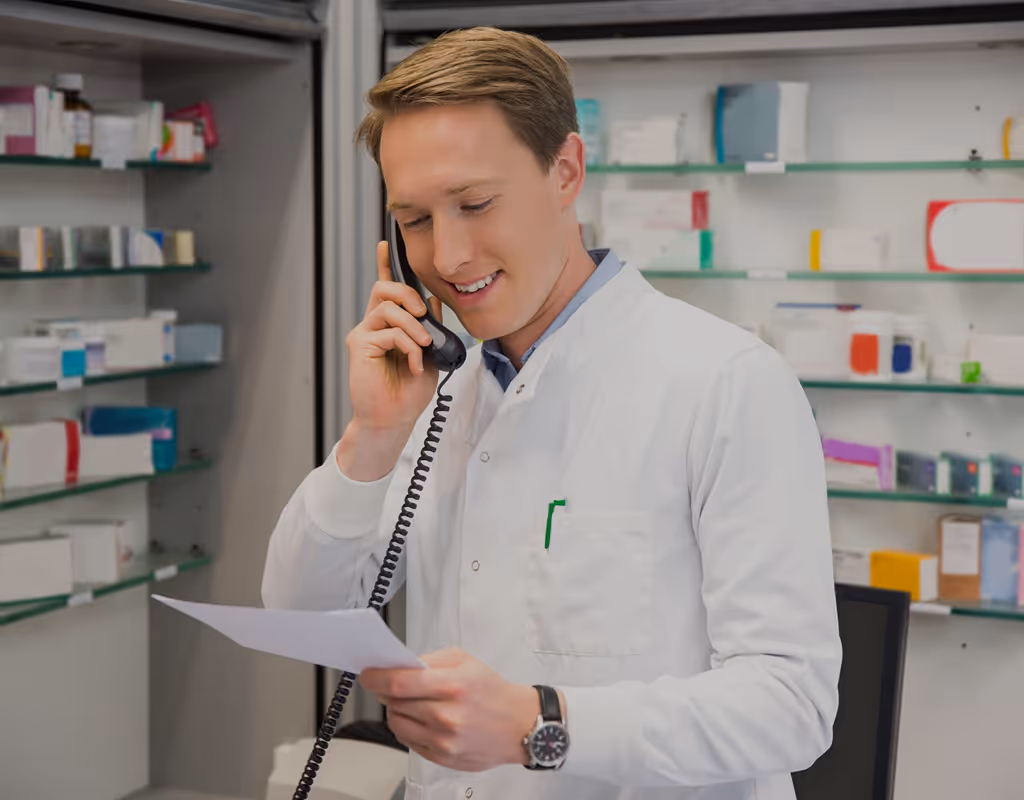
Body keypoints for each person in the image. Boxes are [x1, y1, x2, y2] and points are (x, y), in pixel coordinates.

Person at [263, 26, 841, 800]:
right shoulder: (440, 393)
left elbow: (791, 707)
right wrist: (370, 436)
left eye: (475, 203)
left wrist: (540, 723)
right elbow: (301, 612)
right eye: (416, 221)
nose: (450, 255)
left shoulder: (726, 381)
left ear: (566, 170)